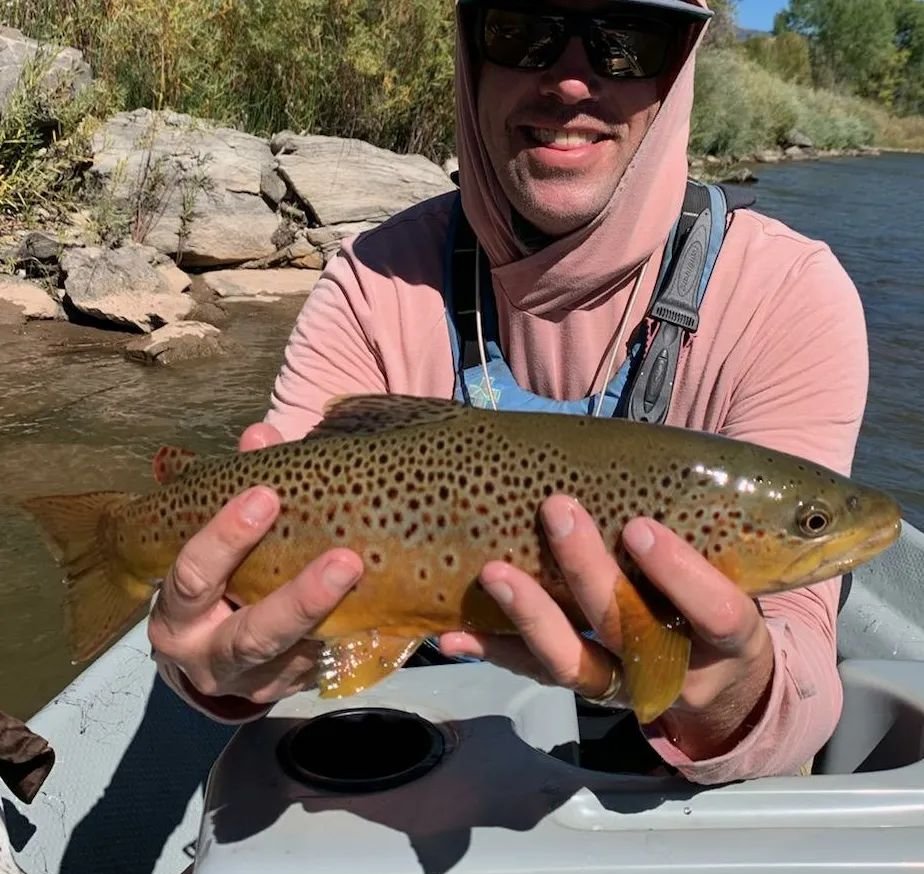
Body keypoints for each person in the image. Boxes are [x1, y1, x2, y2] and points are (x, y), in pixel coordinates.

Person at [149, 0, 869, 784]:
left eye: (626, 41)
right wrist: (220, 672)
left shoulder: (785, 294)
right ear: (470, 51)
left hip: (673, 800)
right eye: (523, 30)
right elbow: (242, 613)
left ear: (680, 64)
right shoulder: (374, 282)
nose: (569, 81)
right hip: (424, 767)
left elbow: (801, 662)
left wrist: (730, 697)